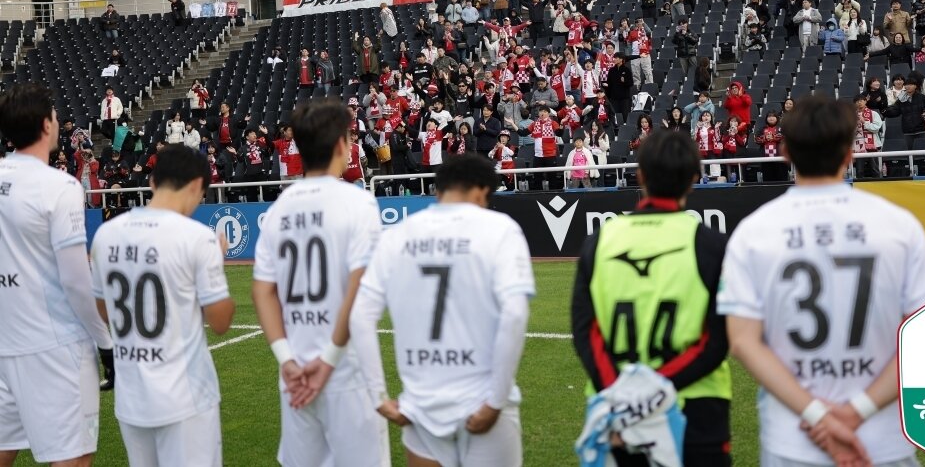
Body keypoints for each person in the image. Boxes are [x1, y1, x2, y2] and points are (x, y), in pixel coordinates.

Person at [718, 95, 925, 466]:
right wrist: (857, 411)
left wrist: (817, 415)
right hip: (881, 439)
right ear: (849, 153)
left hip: (793, 439)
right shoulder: (898, 225)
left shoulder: (753, 231)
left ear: (785, 152)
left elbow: (743, 342)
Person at [328, 154, 535, 467]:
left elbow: (360, 316)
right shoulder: (501, 229)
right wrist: (496, 401)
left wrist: (379, 397)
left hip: (421, 407)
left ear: (438, 189)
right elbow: (515, 314)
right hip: (482, 400)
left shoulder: (397, 235)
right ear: (482, 192)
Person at [572, 129, 732, 465]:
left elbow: (586, 330)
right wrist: (655, 392)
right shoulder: (711, 245)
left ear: (640, 175)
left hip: (614, 405)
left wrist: (622, 396)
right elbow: (716, 340)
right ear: (694, 179)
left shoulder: (600, 240)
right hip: (695, 406)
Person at [251, 98, 390, 466]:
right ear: (342, 145)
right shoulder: (358, 203)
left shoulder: (278, 209)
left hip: (295, 372)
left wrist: (286, 359)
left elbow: (263, 290)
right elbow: (359, 290)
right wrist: (328, 360)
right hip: (346, 370)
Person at [90, 145, 234, 466]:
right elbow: (220, 321)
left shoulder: (106, 235)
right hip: (186, 397)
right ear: (196, 186)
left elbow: (103, 311)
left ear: (152, 182)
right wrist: (216, 263)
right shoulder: (197, 238)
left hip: (132, 399)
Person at [0, 83, 115, 466]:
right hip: (54, 345)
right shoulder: (60, 186)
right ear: (46, 125)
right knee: (73, 456)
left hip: (6, 338)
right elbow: (76, 279)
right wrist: (105, 342)